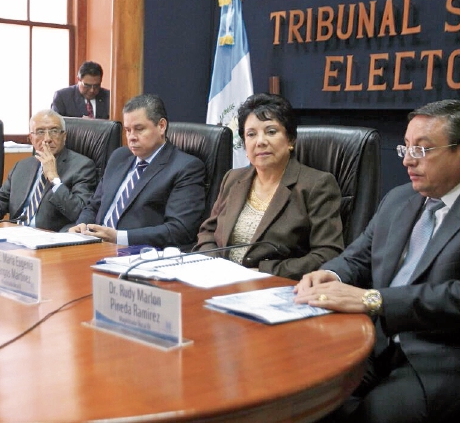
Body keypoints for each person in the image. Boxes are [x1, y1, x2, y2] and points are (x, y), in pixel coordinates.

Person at [295, 99, 460, 422]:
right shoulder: (398, 200)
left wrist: (375, 299)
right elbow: (357, 257)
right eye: (406, 148)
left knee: (376, 414)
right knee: (304, 390)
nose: (408, 161)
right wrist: (330, 274)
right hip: (373, 340)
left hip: (439, 355)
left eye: (423, 150)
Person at [194, 93, 344, 280]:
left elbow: (328, 254)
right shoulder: (233, 178)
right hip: (220, 282)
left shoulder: (317, 185)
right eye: (251, 134)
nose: (260, 141)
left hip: (276, 288)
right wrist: (217, 266)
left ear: (290, 140)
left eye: (271, 131)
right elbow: (208, 232)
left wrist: (265, 272)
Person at [69, 93, 206, 248]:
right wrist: (82, 225)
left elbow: (179, 230)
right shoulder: (119, 157)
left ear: (161, 126)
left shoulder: (185, 167)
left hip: (135, 254)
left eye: (139, 129)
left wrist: (118, 237)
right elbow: (94, 205)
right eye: (128, 130)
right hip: (92, 246)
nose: (131, 137)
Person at [0, 110, 97, 231]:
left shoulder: (82, 166)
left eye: (54, 131)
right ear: (31, 138)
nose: (47, 139)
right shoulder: (22, 166)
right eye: (40, 132)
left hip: (51, 239)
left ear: (64, 136)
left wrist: (54, 179)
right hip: (15, 234)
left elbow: (80, 212)